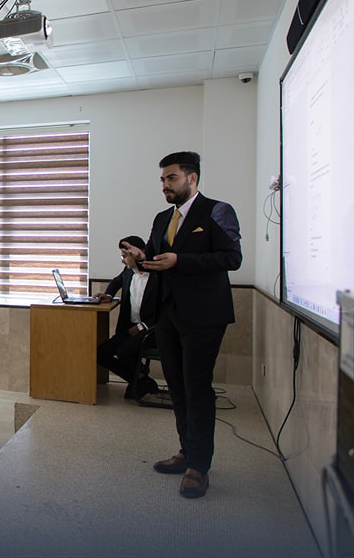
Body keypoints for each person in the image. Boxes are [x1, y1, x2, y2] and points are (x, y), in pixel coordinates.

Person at [120, 151, 242, 499]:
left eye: (171, 178)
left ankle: (199, 467)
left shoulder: (218, 211)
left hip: (205, 315)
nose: (165, 185)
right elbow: (155, 259)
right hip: (167, 315)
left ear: (192, 177)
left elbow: (232, 258)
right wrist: (139, 260)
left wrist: (181, 260)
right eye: (162, 179)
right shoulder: (162, 219)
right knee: (176, 387)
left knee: (197, 388)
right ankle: (187, 451)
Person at [94, 236, 159, 400]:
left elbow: (165, 311)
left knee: (124, 351)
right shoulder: (128, 271)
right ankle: (141, 379)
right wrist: (109, 295)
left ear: (137, 253)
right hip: (129, 328)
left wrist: (142, 327)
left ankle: (139, 381)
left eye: (124, 256)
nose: (122, 260)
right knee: (100, 353)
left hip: (152, 330)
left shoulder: (159, 276)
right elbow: (116, 282)